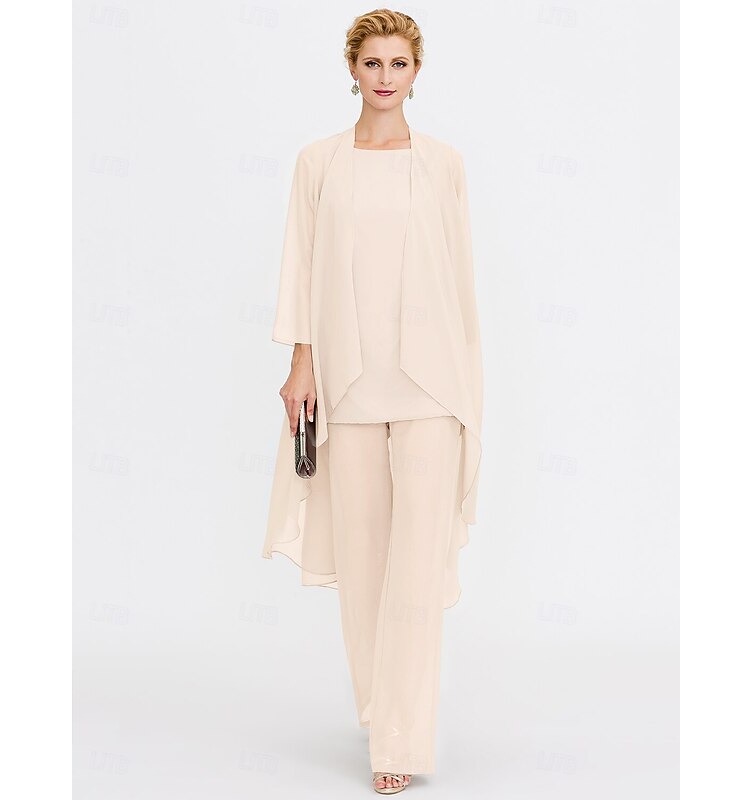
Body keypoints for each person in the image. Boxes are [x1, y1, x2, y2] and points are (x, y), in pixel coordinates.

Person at [262, 8, 483, 795]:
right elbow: (300, 263)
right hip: (348, 382)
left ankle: (399, 740)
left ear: (417, 73)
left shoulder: (444, 164)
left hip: (432, 386)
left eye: (399, 64)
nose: (385, 77)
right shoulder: (317, 163)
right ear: (351, 69)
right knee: (363, 566)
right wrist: (301, 363)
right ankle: (382, 711)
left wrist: (469, 385)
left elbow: (459, 281)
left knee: (415, 567)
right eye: (372, 63)